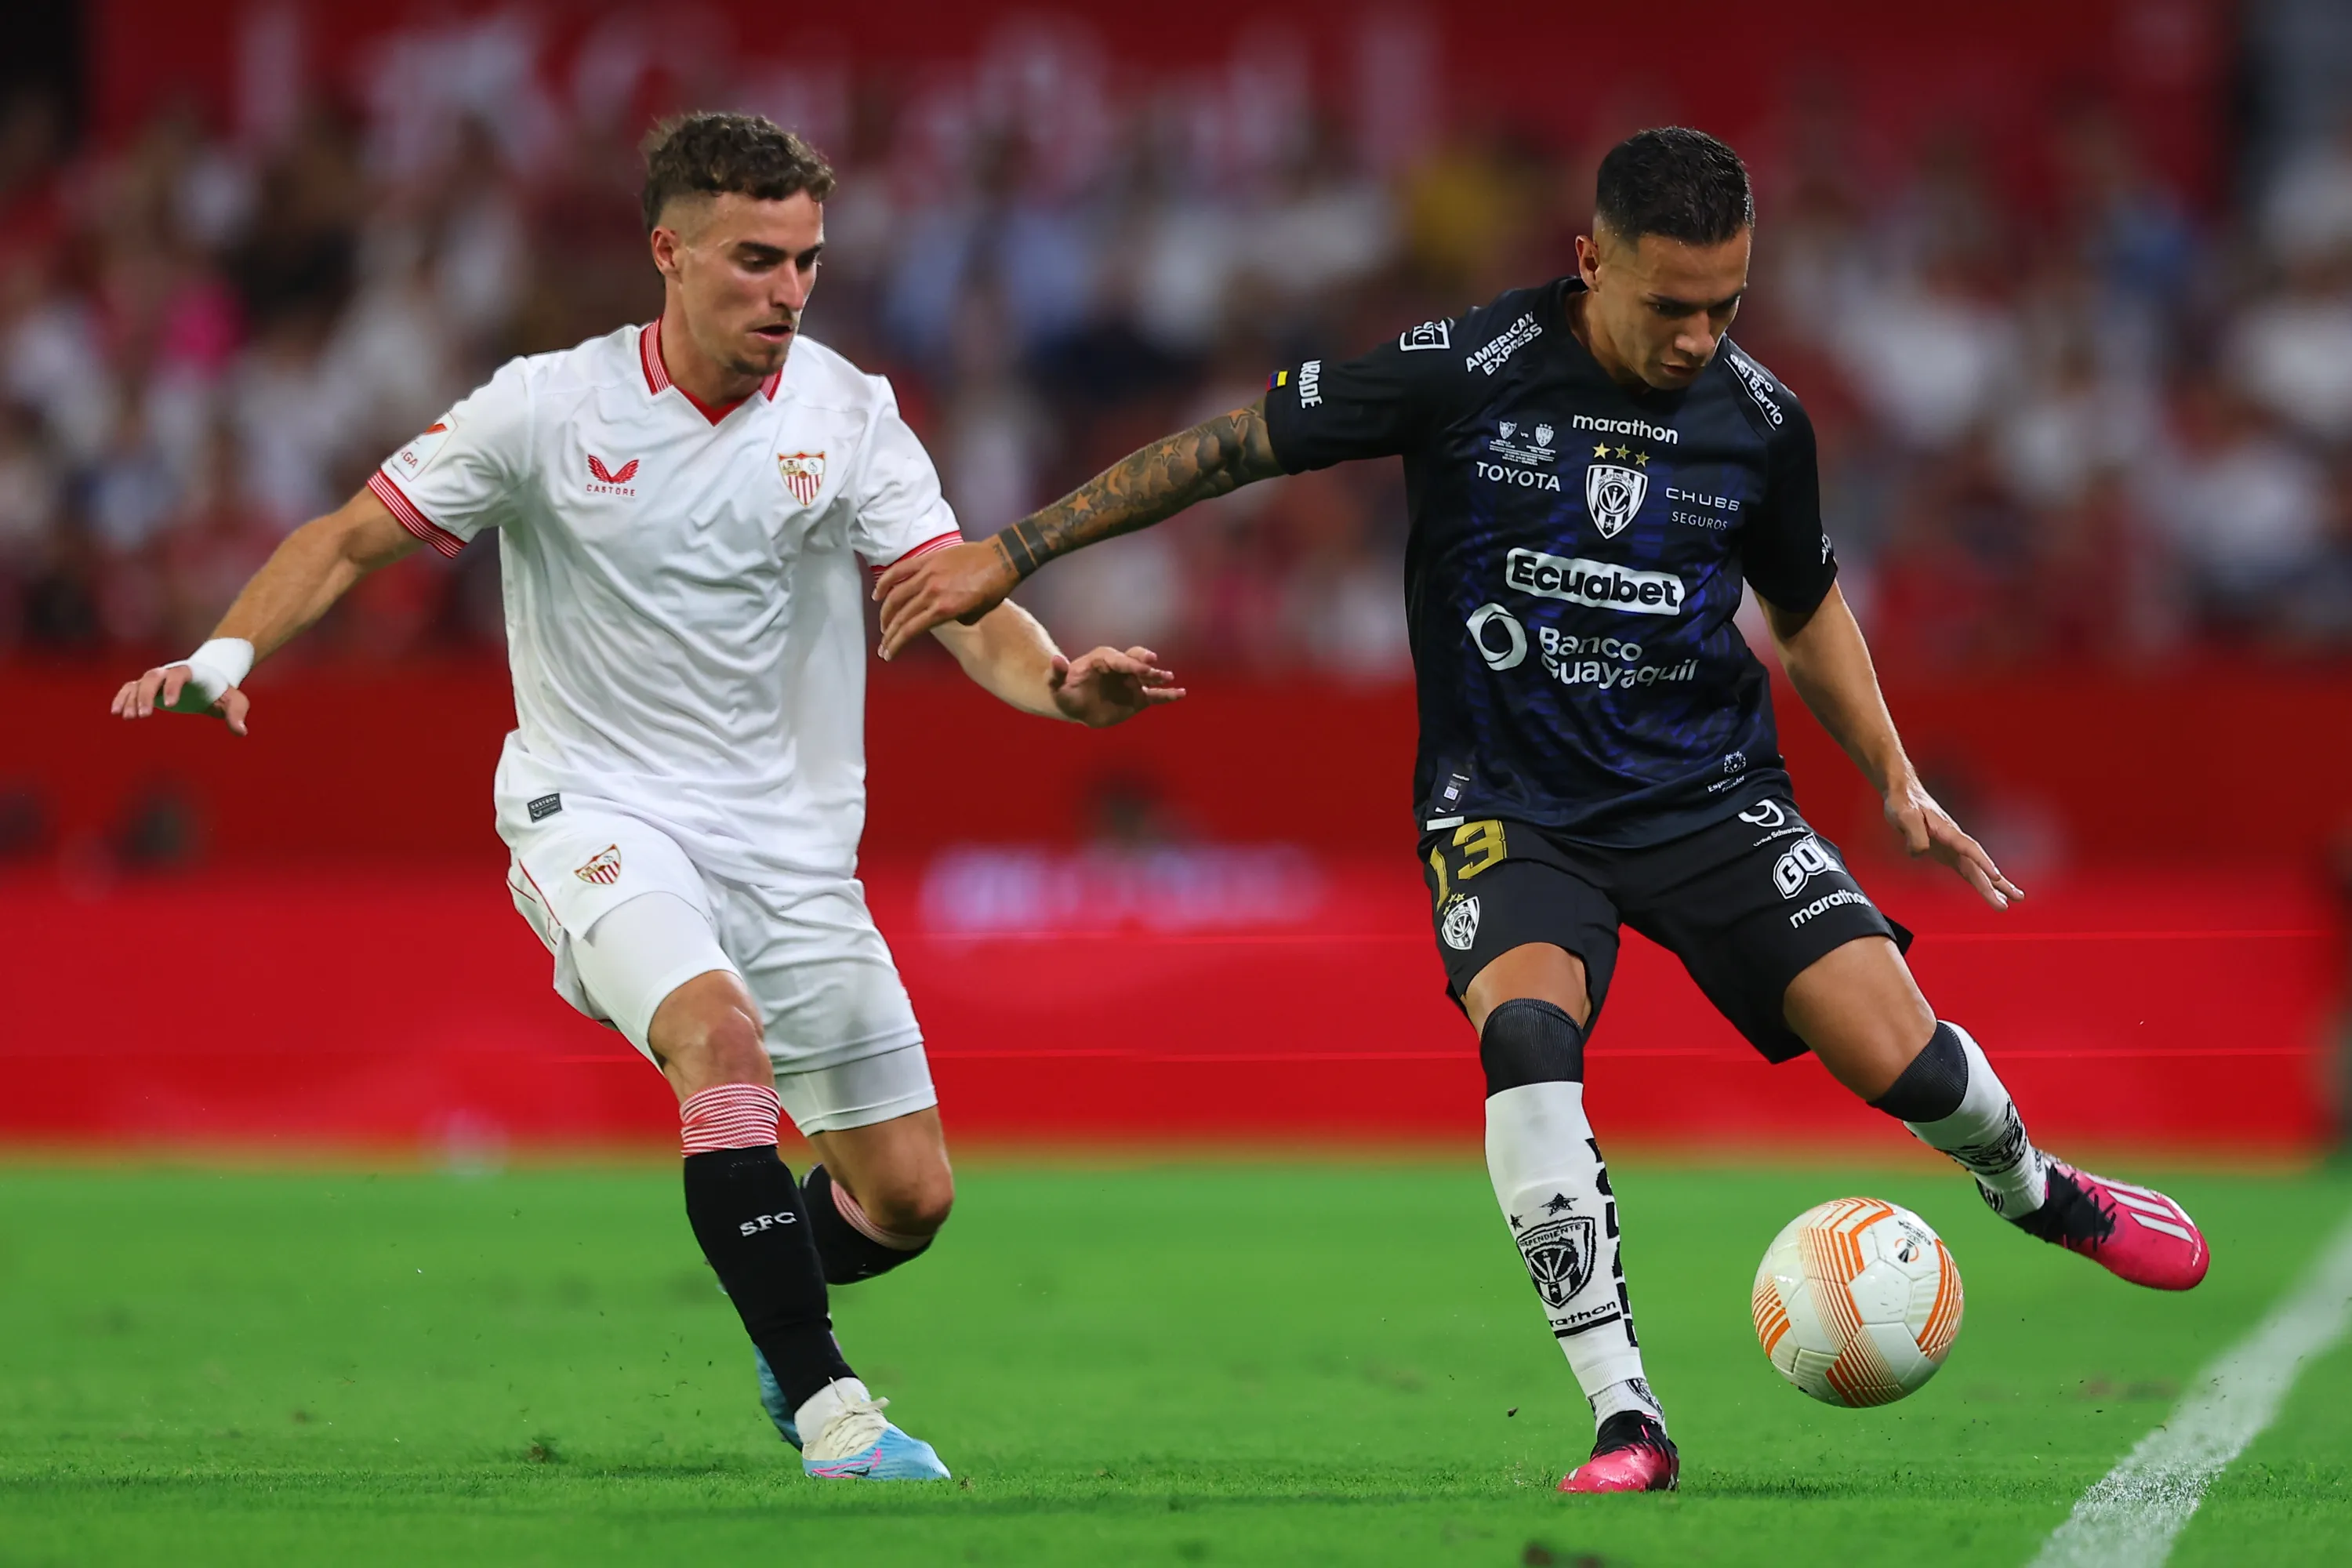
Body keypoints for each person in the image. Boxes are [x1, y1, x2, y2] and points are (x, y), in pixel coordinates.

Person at [871, 126, 2209, 1494]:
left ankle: (2032, 1185)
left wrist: (1895, 777)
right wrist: (1012, 550)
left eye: (1726, 306)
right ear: (1590, 263)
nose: (1699, 337)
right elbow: (1232, 448)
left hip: (1707, 792)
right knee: (1524, 1034)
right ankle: (1627, 1413)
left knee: (1903, 1062)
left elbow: (1803, 611)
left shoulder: (1760, 420)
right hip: (1508, 805)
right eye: (1671, 305)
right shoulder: (1468, 370)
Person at [110, 112, 1182, 1483]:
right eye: (753, 260)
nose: (787, 294)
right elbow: (348, 537)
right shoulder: (545, 408)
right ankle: (829, 1407)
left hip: (792, 854)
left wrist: (1058, 684)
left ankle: (778, 1303)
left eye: (805, 261)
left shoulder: (851, 414)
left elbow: (958, 601)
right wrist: (225, 651)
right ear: (667, 253)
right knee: (714, 1039)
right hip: (595, 811)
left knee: (910, 1198)